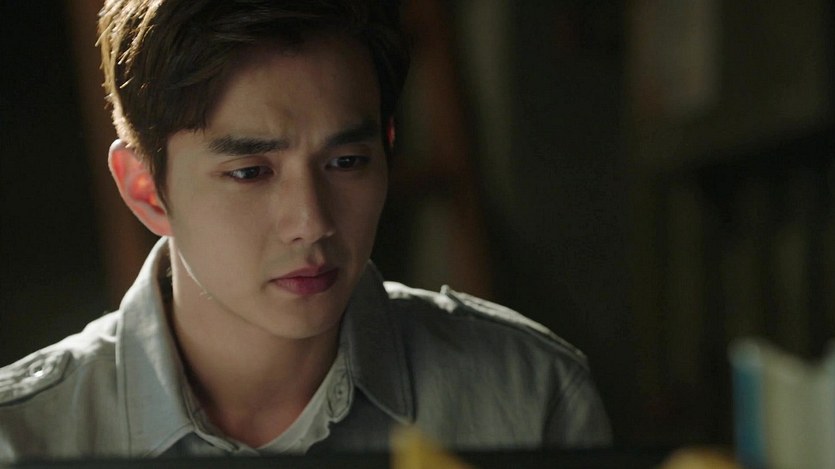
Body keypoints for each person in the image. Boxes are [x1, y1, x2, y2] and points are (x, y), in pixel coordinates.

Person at [0, 0, 611, 460]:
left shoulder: (527, 398)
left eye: (346, 162)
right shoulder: (24, 439)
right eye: (250, 172)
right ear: (146, 189)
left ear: (387, 148)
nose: (312, 222)